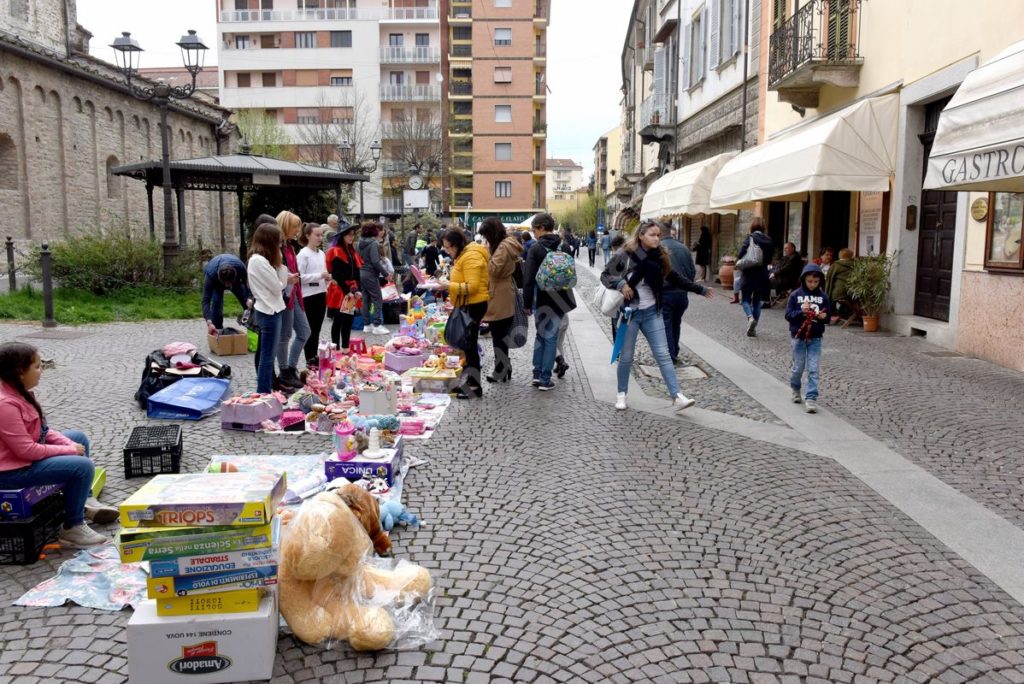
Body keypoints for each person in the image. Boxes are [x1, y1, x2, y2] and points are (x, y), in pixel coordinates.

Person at [0, 343, 119, 547]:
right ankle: (72, 527)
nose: (41, 371)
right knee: (82, 466)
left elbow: (42, 432)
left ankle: (85, 502)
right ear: (20, 372)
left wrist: (70, 443)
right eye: (37, 366)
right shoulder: (5, 404)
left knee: (78, 437)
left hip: (22, 461)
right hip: (12, 473)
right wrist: (70, 450)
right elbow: (26, 450)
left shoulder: (20, 391)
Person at [601, 220, 712, 411]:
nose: (657, 238)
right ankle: (621, 395)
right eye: (653, 235)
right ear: (641, 236)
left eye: (658, 235)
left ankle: (677, 396)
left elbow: (674, 277)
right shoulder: (626, 255)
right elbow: (605, 275)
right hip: (630, 313)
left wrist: (699, 289)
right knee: (626, 357)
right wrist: (621, 285)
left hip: (653, 312)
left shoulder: (660, 256)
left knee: (663, 354)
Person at [522, 213, 576, 391]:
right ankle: (545, 378)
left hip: (542, 298)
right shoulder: (565, 246)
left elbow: (528, 279)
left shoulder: (536, 249)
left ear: (541, 228)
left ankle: (540, 376)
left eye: (534, 230)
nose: (534, 233)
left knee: (541, 336)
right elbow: (570, 273)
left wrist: (527, 304)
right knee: (551, 337)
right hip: (560, 299)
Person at [438, 228, 490, 399]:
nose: (447, 251)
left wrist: (448, 285)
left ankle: (475, 387)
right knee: (469, 345)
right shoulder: (465, 254)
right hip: (468, 304)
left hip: (473, 305)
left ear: (457, 244)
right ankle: (472, 383)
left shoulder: (471, 256)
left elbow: (472, 287)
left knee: (470, 346)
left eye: (448, 247)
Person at [248, 223, 291, 393]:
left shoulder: (261, 260)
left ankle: (264, 391)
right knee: (267, 356)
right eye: (278, 242)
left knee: (267, 355)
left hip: (271, 309)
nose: (280, 246)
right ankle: (263, 392)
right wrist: (281, 266)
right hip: (268, 311)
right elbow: (278, 286)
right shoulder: (258, 261)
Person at [479, 217, 522, 384]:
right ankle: (504, 367)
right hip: (501, 292)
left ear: (492, 233)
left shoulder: (503, 247)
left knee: (498, 334)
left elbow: (494, 270)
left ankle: (501, 368)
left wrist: (485, 253)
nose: (485, 240)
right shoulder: (505, 245)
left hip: (500, 294)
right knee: (499, 334)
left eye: (486, 236)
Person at [785, 263, 831, 414]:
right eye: (810, 281)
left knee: (813, 369)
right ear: (804, 279)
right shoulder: (795, 295)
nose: (812, 284)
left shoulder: (823, 297)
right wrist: (801, 311)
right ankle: (796, 389)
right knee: (798, 367)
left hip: (816, 338)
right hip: (798, 337)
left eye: (816, 282)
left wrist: (824, 317)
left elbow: (828, 316)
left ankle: (811, 397)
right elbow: (788, 315)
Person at [274, 211, 311, 390]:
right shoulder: (278, 248)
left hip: (294, 295)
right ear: (286, 226)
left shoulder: (289, 247)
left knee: (304, 332)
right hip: (285, 296)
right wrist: (288, 278)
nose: (297, 230)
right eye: (295, 226)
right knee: (285, 336)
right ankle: (285, 372)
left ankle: (290, 368)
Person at [660, 225, 698, 365]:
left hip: (665, 293)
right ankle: (674, 351)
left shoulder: (659, 248)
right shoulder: (683, 248)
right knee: (676, 323)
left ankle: (670, 355)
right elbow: (692, 271)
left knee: (666, 324)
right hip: (682, 294)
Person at [325, 223, 362, 352]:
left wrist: (357, 290)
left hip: (350, 290)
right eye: (348, 234)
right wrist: (347, 291)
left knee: (348, 320)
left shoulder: (352, 251)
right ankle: (336, 349)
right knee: (339, 320)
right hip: (340, 291)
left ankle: (345, 349)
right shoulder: (336, 251)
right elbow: (337, 274)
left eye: (353, 234)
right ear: (342, 236)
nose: (351, 237)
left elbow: (357, 273)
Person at [298, 222, 330, 368]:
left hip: (321, 293)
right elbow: (300, 277)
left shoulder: (321, 253)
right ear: (307, 236)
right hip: (308, 295)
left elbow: (322, 273)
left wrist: (327, 278)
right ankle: (308, 358)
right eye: (317, 235)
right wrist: (319, 276)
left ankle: (314, 357)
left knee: (317, 329)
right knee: (309, 329)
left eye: (321, 235)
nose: (320, 237)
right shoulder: (303, 254)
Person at [736, 217, 774, 337]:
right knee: (757, 302)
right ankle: (753, 329)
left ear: (752, 226)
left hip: (749, 273)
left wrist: (739, 260)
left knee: (745, 299)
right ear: (764, 227)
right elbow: (769, 259)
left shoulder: (750, 238)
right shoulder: (769, 240)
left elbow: (741, 253)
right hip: (762, 274)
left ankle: (750, 317)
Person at [201, 254, 251, 335]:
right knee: (216, 303)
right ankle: (217, 330)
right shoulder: (211, 274)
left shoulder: (241, 267)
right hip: (217, 283)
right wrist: (209, 322)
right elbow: (205, 300)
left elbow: (248, 285)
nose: (227, 286)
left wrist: (249, 298)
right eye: (226, 283)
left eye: (229, 283)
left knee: (246, 301)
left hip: (236, 282)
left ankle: (252, 326)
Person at [358, 222, 392, 335]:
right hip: (370, 274)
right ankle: (377, 325)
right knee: (377, 298)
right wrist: (386, 273)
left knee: (365, 299)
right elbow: (375, 261)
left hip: (361, 273)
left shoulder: (359, 243)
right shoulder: (373, 243)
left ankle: (367, 325)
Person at [825, 248, 857, 323]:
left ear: (840, 255)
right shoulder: (855, 264)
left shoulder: (836, 265)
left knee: (832, 297)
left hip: (839, 292)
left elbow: (829, 278)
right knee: (845, 302)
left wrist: (827, 293)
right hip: (851, 292)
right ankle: (841, 314)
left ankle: (834, 315)